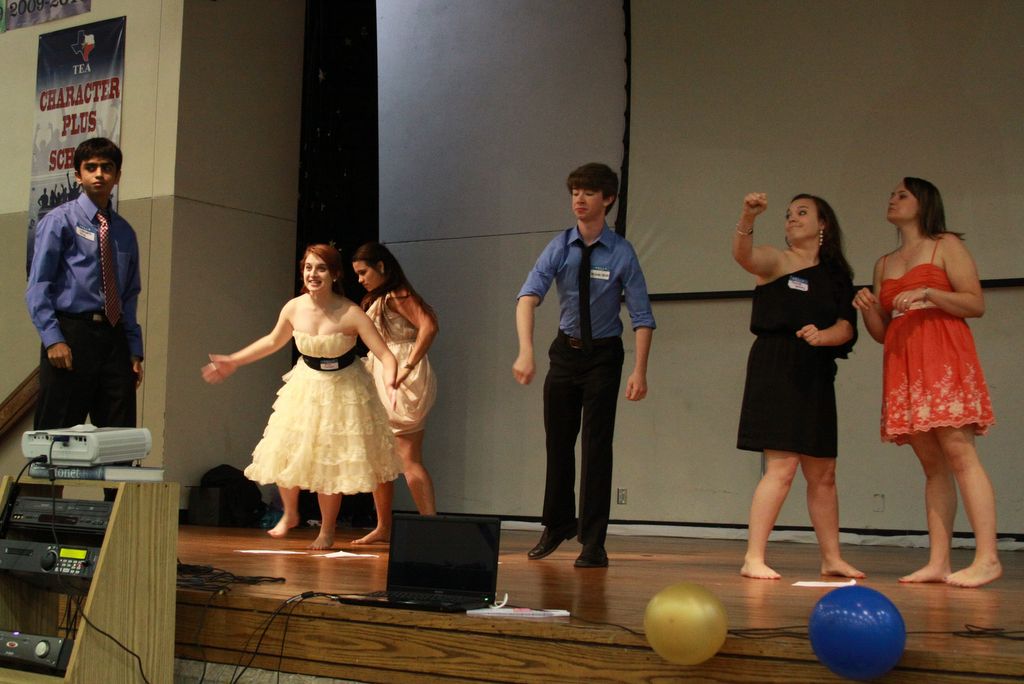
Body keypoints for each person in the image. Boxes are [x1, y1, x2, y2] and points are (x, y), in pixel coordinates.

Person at [202, 244, 401, 550]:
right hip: (306, 382)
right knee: (286, 446)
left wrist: (390, 382)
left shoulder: (351, 312)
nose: (313, 274)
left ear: (335, 274)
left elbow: (385, 355)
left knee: (330, 459)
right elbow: (273, 341)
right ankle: (290, 512)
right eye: (308, 268)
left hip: (344, 386)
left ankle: (327, 529)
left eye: (320, 268)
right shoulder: (294, 308)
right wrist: (234, 360)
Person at [853, 178, 1001, 588]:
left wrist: (930, 293)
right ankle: (939, 561)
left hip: (943, 353)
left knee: (960, 453)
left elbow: (975, 302)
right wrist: (868, 310)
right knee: (933, 466)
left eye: (902, 194)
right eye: (891, 194)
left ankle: (988, 557)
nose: (892, 199)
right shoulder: (884, 263)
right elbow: (883, 332)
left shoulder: (945, 245)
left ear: (924, 202)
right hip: (903, 361)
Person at [513, 162, 655, 569]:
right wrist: (526, 350)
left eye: (589, 193)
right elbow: (527, 297)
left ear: (607, 199)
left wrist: (640, 371)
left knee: (596, 448)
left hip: (604, 356)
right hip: (565, 352)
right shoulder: (560, 246)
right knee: (558, 442)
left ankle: (593, 541)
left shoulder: (622, 252)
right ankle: (558, 523)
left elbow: (642, 317)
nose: (579, 199)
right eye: (575, 192)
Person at [733, 192, 864, 581]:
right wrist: (748, 217)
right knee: (782, 465)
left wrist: (823, 337)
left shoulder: (837, 276)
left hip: (816, 370)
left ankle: (832, 557)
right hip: (777, 365)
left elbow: (846, 327)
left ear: (823, 224)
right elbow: (744, 256)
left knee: (823, 471)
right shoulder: (777, 260)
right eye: (789, 213)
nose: (792, 218)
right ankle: (754, 556)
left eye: (802, 213)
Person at [26, 137, 144, 431]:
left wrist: (133, 349)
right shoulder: (59, 221)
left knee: (118, 434)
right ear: (78, 175)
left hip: (114, 336)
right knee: (57, 433)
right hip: (72, 333)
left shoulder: (124, 232)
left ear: (117, 176)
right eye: (91, 167)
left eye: (107, 167)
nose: (99, 174)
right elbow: (39, 284)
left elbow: (130, 295)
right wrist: (53, 338)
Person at [350, 242, 439, 544]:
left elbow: (428, 326)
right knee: (381, 457)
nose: (360, 279)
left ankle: (431, 527)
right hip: (381, 371)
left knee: (408, 456)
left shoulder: (397, 294)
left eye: (364, 272)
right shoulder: (381, 297)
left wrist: (408, 365)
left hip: (400, 373)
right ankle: (383, 526)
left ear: (381, 267)